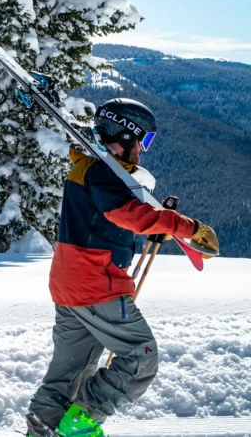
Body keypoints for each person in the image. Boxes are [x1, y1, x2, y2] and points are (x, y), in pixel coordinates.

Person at [26, 98, 219, 437]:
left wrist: (157, 225)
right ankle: (82, 421)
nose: (142, 151)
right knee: (141, 357)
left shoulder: (89, 166)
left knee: (71, 368)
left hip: (69, 283)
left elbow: (111, 216)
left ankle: (43, 427)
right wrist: (186, 226)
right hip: (96, 283)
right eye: (143, 141)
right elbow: (126, 213)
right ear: (125, 134)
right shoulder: (101, 170)